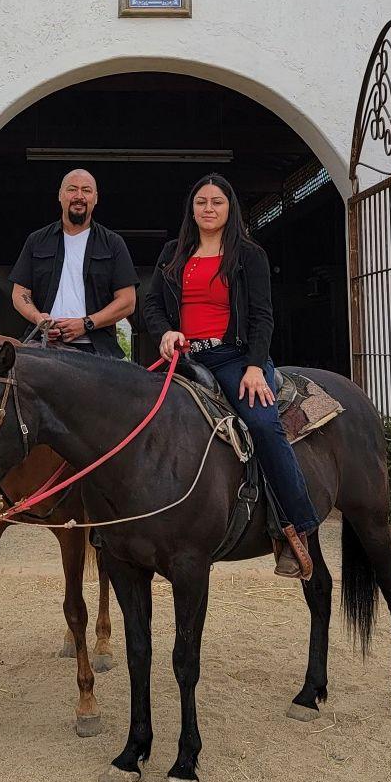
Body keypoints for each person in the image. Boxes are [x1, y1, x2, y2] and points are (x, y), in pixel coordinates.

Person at [139, 173, 319, 579]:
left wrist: (256, 366)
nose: (208, 208)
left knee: (262, 423)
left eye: (216, 202)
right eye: (201, 201)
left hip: (235, 358)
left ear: (229, 208)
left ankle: (296, 527)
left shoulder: (248, 255)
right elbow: (152, 306)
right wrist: (165, 332)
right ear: (192, 208)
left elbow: (261, 316)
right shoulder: (173, 253)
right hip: (185, 359)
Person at [8, 169, 138, 355]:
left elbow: (128, 301)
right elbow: (20, 292)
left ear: (96, 197)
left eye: (86, 190)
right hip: (43, 347)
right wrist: (38, 319)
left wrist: (86, 323)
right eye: (72, 189)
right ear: (60, 195)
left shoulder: (113, 244)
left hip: (96, 351)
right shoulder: (36, 241)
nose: (79, 196)